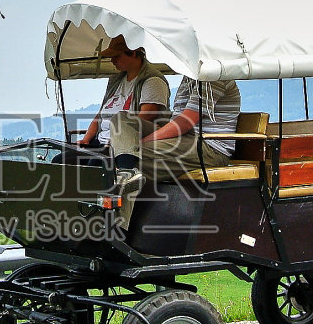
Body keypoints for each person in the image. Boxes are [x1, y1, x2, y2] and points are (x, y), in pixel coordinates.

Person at [107, 76, 241, 228]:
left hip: (208, 147)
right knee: (121, 119)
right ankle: (126, 165)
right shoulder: (189, 77)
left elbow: (185, 122)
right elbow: (177, 120)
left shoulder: (213, 76)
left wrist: (144, 141)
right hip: (184, 138)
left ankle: (117, 233)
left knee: (135, 158)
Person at [77, 35, 170, 152]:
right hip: (101, 141)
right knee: (60, 159)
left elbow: (142, 119)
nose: (112, 60)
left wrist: (115, 141)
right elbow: (100, 115)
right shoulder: (115, 80)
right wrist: (86, 139)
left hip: (126, 145)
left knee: (94, 164)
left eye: (117, 56)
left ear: (133, 53)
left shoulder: (153, 81)